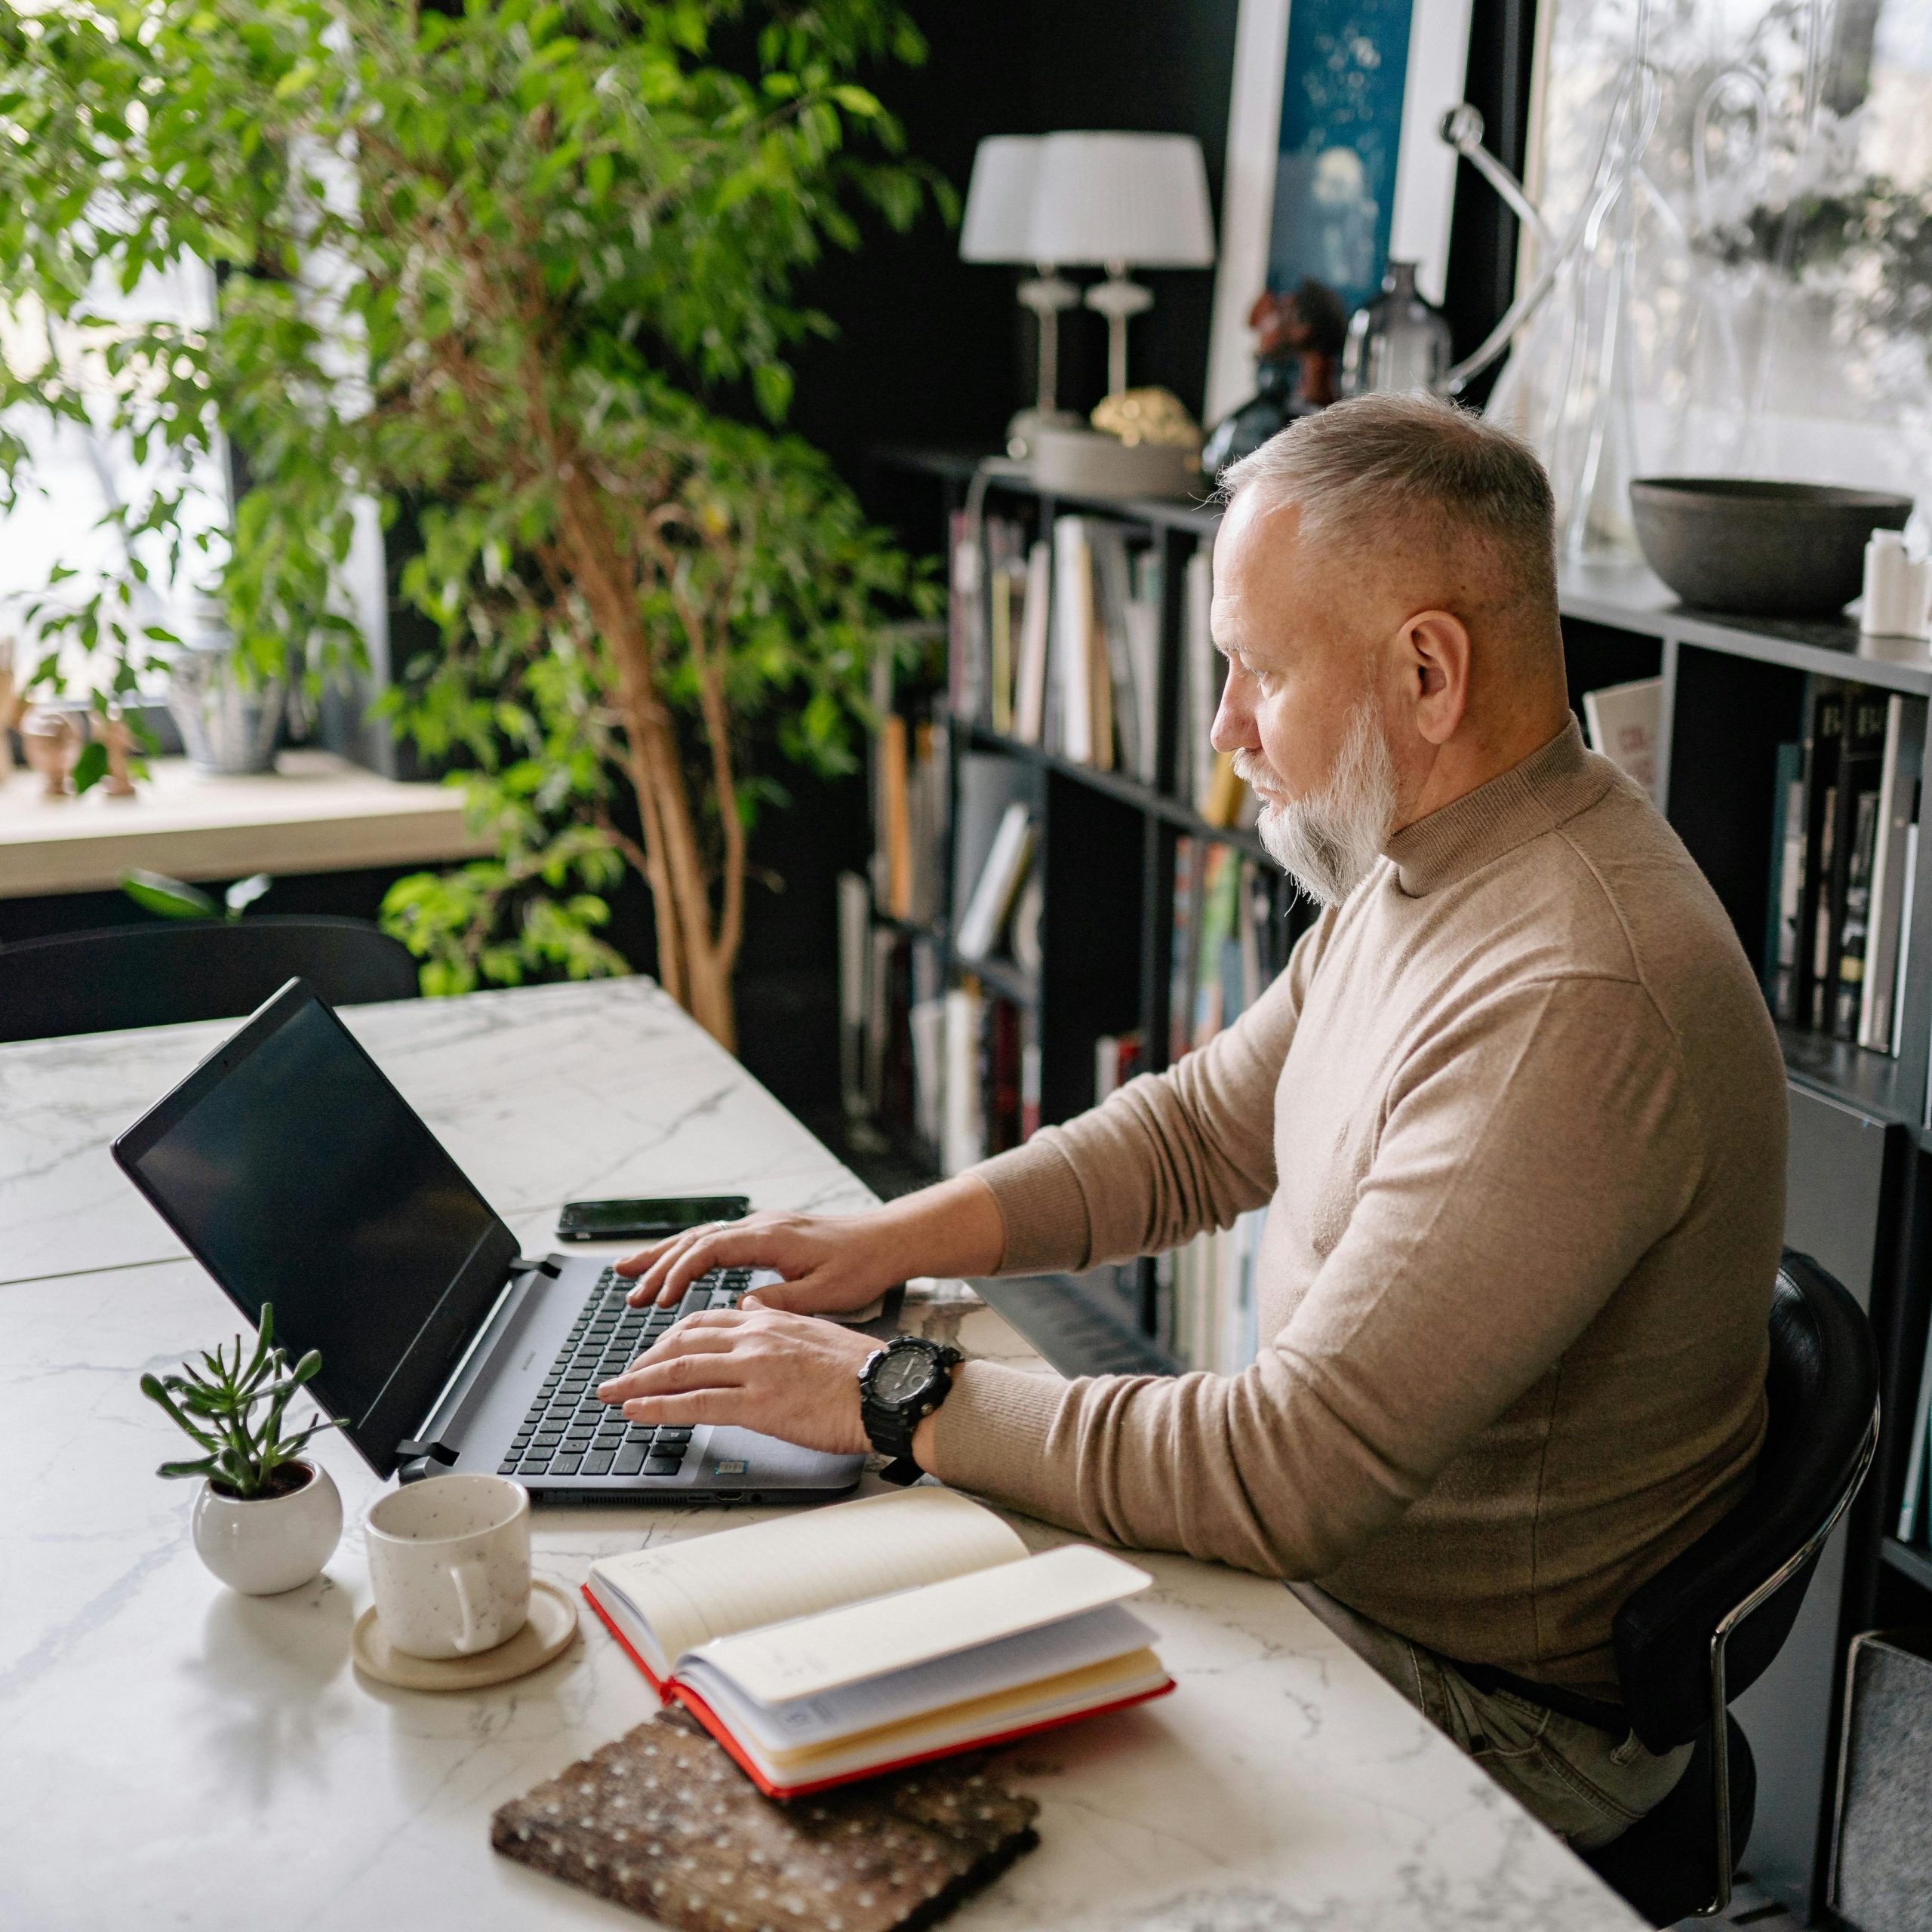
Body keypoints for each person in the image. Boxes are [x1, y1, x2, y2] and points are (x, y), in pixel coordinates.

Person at [595, 394, 1787, 1848]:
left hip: (1495, 1723)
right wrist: (885, 1238)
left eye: (1257, 673)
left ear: (1427, 671)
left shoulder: (1572, 986)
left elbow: (1282, 1472)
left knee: (882, 1768)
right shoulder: (1430, 861)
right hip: (1337, 1587)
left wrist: (883, 1391)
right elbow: (1199, 1135)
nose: (1223, 730)